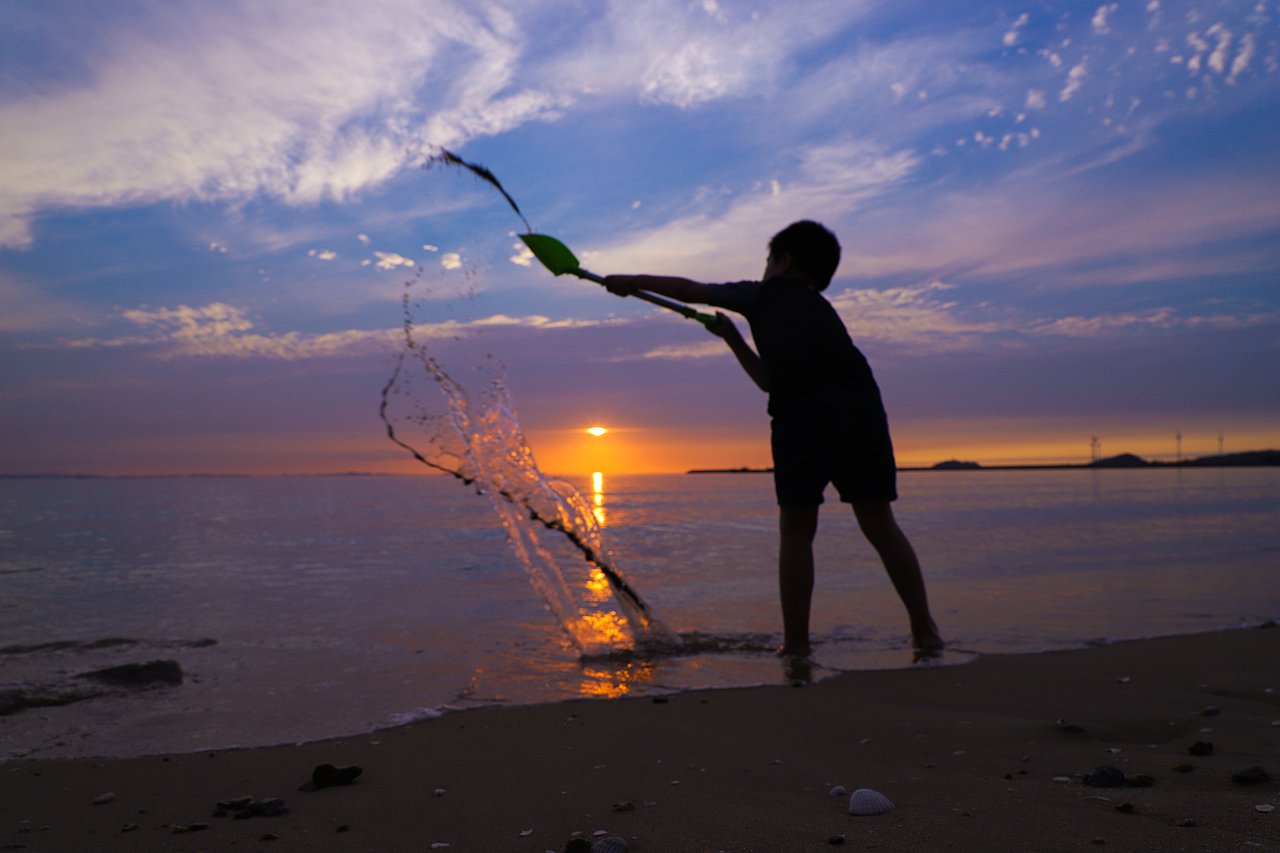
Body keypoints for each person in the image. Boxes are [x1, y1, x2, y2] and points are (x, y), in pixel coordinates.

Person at [603, 220, 943, 661]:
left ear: (782, 262)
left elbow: (690, 289)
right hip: (862, 401)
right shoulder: (821, 310)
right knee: (879, 522)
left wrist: (631, 282)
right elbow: (769, 381)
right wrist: (733, 339)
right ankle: (926, 632)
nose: (763, 269)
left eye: (767, 261)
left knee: (797, 529)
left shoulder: (763, 293)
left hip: (807, 409)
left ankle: (798, 646)